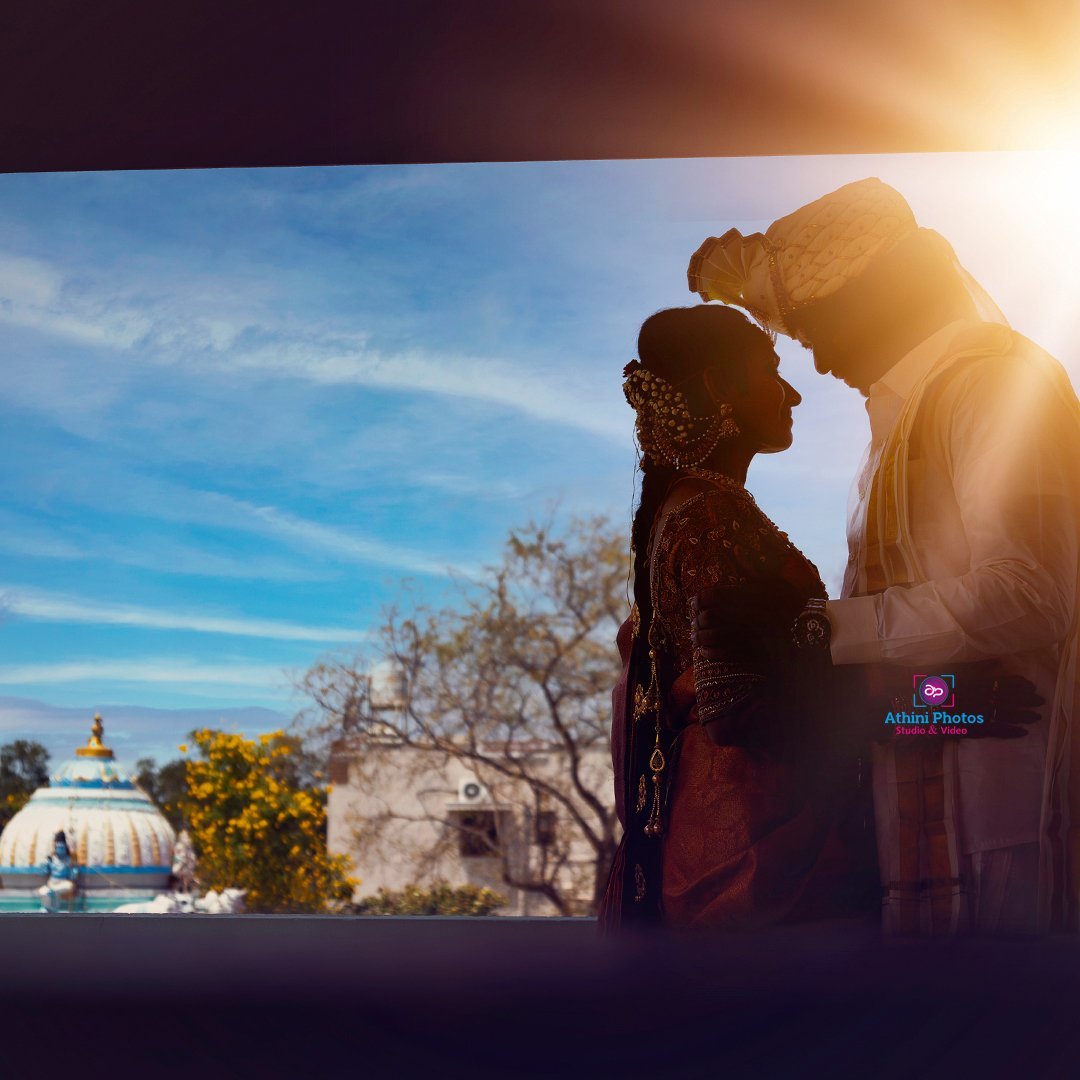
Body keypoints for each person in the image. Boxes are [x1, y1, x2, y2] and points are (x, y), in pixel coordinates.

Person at [688, 177, 1080, 934]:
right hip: (932, 805)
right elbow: (933, 689)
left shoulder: (995, 385)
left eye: (814, 330)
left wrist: (820, 631)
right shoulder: (894, 429)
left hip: (1014, 823)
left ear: (882, 295)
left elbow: (1032, 592)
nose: (821, 364)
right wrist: (915, 704)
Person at [597, 305, 877, 932]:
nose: (794, 394)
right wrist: (946, 710)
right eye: (772, 372)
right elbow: (755, 708)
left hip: (728, 839)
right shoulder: (712, 518)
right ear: (722, 388)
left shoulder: (690, 507)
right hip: (763, 858)